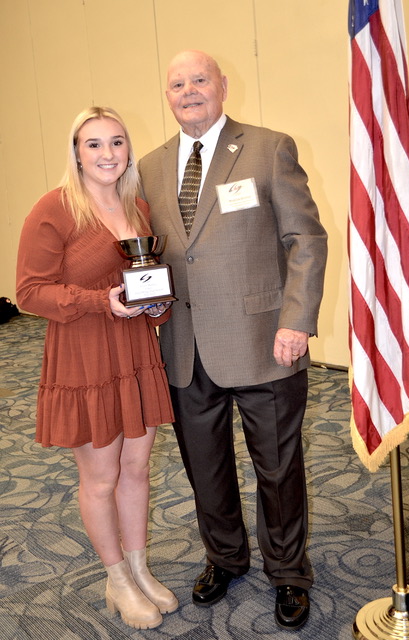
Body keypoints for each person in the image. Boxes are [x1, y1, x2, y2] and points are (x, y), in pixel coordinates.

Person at [138, 50, 327, 631]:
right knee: (206, 467)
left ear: (222, 86)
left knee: (277, 467)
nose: (189, 90)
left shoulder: (269, 147)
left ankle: (289, 572)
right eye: (177, 83)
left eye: (200, 80)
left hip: (266, 342)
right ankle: (224, 557)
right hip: (185, 347)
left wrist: (296, 320)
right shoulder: (148, 165)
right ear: (166, 94)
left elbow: (307, 240)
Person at [16, 106, 178, 630]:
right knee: (102, 476)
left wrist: (158, 306)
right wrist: (99, 302)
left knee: (136, 471)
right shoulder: (55, 209)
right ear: (77, 153)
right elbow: (28, 292)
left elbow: (149, 277)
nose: (107, 154)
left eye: (116, 142)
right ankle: (115, 579)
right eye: (94, 144)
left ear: (128, 149)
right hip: (84, 354)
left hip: (135, 351)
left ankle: (138, 568)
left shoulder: (138, 205)